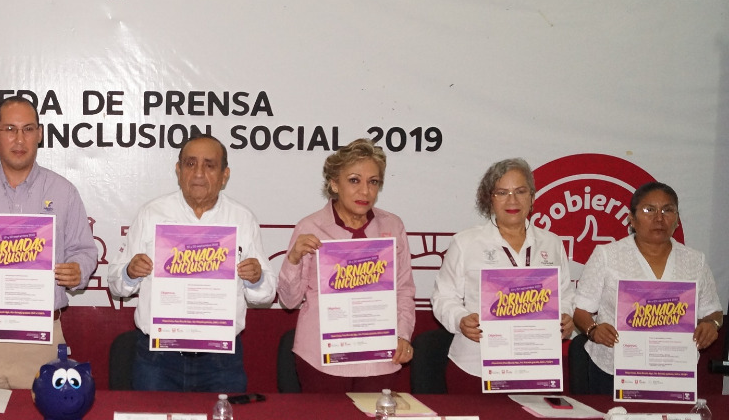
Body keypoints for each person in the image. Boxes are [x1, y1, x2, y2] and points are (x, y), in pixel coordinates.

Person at [0, 96, 98, 389]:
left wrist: (78, 269)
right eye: (10, 129)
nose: (19, 139)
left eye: (28, 129)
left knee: (37, 417)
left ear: (40, 134)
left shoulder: (63, 192)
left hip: (41, 336)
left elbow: (85, 251)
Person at [107, 134, 277, 392]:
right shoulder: (151, 214)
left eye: (209, 165)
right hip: (158, 359)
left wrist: (256, 278)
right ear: (178, 170)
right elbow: (116, 284)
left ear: (225, 175)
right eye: (190, 164)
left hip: (220, 360)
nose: (198, 173)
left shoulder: (242, 219)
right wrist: (130, 272)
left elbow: (266, 294)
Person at [277, 139, 415, 392]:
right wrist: (293, 258)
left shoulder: (392, 226)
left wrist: (403, 335)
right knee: (326, 419)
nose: (365, 191)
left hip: (379, 357)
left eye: (373, 182)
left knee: (374, 419)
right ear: (334, 183)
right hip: (322, 358)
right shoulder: (310, 227)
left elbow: (404, 290)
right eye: (354, 180)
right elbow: (289, 300)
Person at [431, 159, 574, 391]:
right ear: (489, 199)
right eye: (502, 192)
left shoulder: (552, 243)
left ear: (532, 197)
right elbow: (443, 297)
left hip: (537, 364)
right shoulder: (466, 243)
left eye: (520, 191)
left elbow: (566, 295)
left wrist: (566, 316)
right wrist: (460, 319)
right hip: (476, 367)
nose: (512, 200)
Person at [572, 181, 723, 394]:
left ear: (677, 220)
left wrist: (711, 324)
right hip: (613, 369)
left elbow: (713, 311)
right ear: (631, 219)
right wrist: (593, 330)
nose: (659, 218)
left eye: (667, 210)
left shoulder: (695, 261)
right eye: (649, 210)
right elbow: (580, 310)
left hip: (674, 368)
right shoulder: (607, 255)